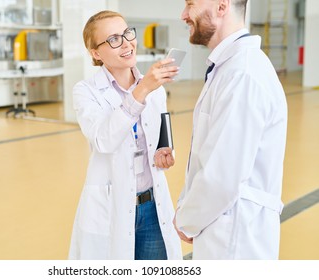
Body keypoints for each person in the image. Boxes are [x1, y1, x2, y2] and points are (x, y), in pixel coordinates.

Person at [174, 0, 288, 259]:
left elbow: (222, 175)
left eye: (190, 4)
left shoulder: (242, 74)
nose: (183, 15)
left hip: (236, 238)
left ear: (221, 6)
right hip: (224, 228)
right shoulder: (230, 68)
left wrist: (186, 219)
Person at [68, 10, 182, 260]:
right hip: (113, 206)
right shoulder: (86, 91)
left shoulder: (155, 89)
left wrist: (165, 151)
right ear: (96, 53)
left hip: (152, 207)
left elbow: (161, 131)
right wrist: (141, 90)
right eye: (113, 39)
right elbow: (103, 140)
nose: (126, 43)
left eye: (127, 33)